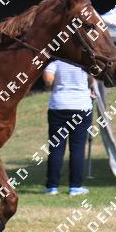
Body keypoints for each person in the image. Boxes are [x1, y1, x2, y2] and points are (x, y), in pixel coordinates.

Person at [42, 60, 93, 196]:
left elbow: (48, 80)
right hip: (81, 106)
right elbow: (91, 80)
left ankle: (52, 187)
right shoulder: (84, 61)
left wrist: (53, 85)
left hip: (59, 106)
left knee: (56, 148)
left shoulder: (55, 62)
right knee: (77, 148)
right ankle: (75, 187)